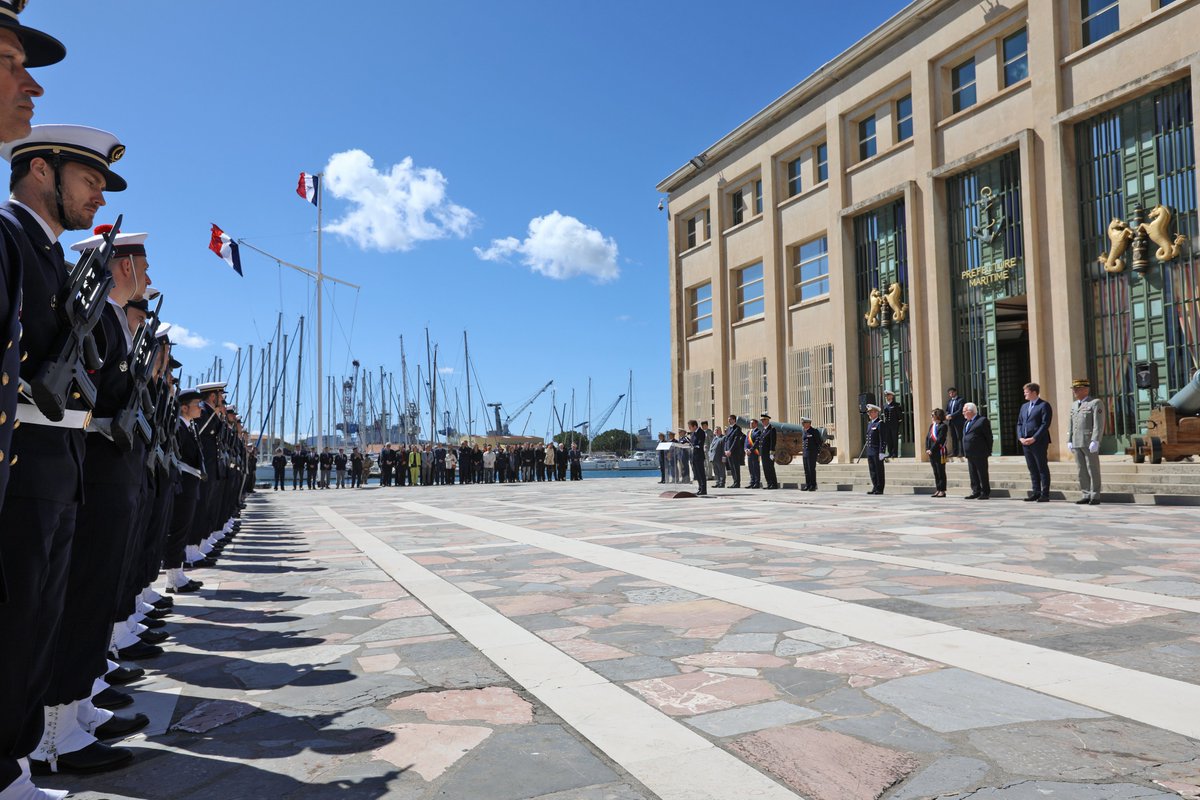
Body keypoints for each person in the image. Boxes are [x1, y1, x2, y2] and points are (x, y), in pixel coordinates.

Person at [1067, 378, 1104, 505]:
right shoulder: (1074, 404)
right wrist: (1069, 439)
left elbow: (1098, 424)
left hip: (1088, 441)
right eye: (1074, 389)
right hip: (1076, 441)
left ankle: (1095, 495)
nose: (1074, 391)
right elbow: (1071, 424)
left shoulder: (1095, 403)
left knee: (1092, 468)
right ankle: (1085, 493)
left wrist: (1096, 440)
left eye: (1077, 389)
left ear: (1085, 389)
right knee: (1081, 469)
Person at [1016, 382, 1052, 502]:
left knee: (1041, 467)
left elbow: (1045, 424)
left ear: (1034, 392)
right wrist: (1020, 437)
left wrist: (1034, 438)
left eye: (1026, 392)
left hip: (1038, 441)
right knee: (1032, 468)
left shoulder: (1044, 405)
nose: (1024, 394)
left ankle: (1045, 494)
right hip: (1025, 441)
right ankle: (1036, 492)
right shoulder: (1024, 407)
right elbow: (1020, 423)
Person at [961, 402, 992, 499]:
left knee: (981, 473)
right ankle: (976, 491)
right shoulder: (967, 422)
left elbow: (989, 437)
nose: (963, 413)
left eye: (964, 411)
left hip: (980, 452)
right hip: (970, 453)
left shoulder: (982, 420)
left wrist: (988, 450)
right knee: (973, 473)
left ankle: (985, 492)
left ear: (970, 411)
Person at [925, 408, 949, 498]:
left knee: (940, 471)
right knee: (935, 471)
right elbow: (928, 438)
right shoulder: (932, 426)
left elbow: (940, 439)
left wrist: (932, 449)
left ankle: (942, 490)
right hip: (931, 453)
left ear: (938, 416)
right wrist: (927, 449)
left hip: (939, 451)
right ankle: (938, 489)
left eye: (933, 415)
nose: (931, 417)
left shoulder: (943, 426)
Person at [864, 404, 886, 494]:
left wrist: (882, 452)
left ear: (876, 412)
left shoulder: (880, 423)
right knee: (872, 470)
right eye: (869, 412)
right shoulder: (870, 424)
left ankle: (880, 488)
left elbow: (882, 439)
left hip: (877, 451)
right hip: (870, 451)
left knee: (879, 470)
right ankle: (875, 486)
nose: (869, 414)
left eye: (871, 412)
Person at [799, 417, 823, 491]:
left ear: (809, 423)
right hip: (805, 453)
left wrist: (816, 451)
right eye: (802, 423)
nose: (803, 424)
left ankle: (813, 485)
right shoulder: (804, 431)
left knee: (811, 469)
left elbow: (819, 442)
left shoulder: (814, 431)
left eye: (804, 423)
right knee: (806, 470)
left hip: (812, 453)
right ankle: (808, 484)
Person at [758, 414, 779, 489]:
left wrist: (772, 452)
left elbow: (773, 442)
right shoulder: (763, 430)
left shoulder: (772, 429)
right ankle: (769, 483)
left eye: (764, 420)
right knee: (765, 469)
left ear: (767, 420)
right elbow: (761, 443)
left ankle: (773, 484)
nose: (762, 422)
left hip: (769, 453)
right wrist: (760, 454)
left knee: (770, 468)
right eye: (762, 421)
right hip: (763, 453)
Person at [881, 389, 903, 460]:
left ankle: (895, 453)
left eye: (887, 395)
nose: (886, 397)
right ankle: (890, 453)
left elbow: (900, 417)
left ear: (891, 396)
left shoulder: (896, 405)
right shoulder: (884, 405)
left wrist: (897, 425)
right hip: (887, 426)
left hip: (894, 425)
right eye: (885, 395)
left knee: (894, 439)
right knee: (888, 439)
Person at [724, 415, 744, 488]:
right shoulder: (729, 428)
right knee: (732, 467)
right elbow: (726, 440)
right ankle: (734, 482)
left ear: (734, 420)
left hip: (734, 451)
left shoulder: (737, 428)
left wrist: (730, 450)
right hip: (728, 452)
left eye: (730, 419)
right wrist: (725, 450)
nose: (729, 421)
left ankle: (737, 483)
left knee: (736, 467)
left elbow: (736, 441)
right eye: (728, 419)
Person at [687, 420, 707, 496]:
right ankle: (700, 488)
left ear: (694, 426)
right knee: (697, 473)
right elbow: (692, 442)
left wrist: (693, 445)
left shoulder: (701, 432)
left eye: (690, 427)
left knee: (701, 473)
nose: (689, 429)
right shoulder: (693, 433)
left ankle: (704, 489)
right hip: (694, 456)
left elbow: (700, 444)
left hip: (699, 456)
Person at [945, 387, 965, 461]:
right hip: (951, 422)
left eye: (952, 392)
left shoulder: (960, 400)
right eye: (950, 393)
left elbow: (960, 410)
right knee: (953, 437)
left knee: (959, 436)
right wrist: (947, 415)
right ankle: (955, 451)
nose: (951, 394)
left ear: (955, 392)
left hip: (958, 421)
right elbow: (947, 410)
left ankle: (961, 452)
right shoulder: (950, 401)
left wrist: (951, 415)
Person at [745, 419, 761, 489]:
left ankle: (757, 483)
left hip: (754, 452)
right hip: (748, 453)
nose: (751, 424)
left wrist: (751, 450)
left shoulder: (758, 431)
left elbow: (757, 442)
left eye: (752, 423)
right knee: (751, 468)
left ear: (756, 424)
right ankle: (752, 482)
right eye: (750, 423)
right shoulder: (749, 432)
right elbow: (746, 442)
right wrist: (745, 449)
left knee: (755, 468)